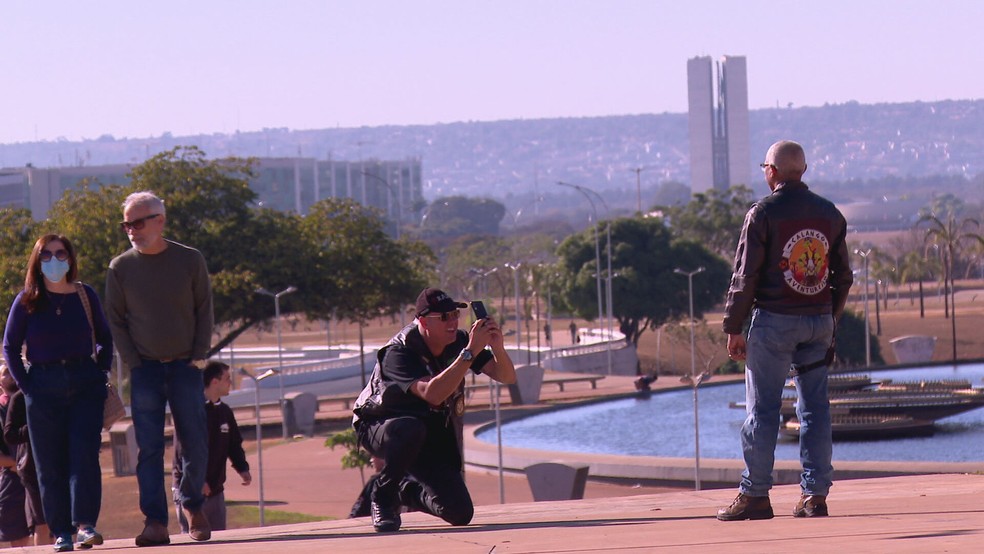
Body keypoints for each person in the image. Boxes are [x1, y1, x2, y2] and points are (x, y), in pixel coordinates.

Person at [718, 140, 853, 521]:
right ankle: (814, 496)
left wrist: (733, 326)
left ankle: (756, 495)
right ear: (803, 172)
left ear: (772, 172)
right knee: (815, 410)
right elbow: (844, 276)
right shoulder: (829, 214)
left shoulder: (762, 213)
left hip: (774, 323)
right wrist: (830, 319)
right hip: (817, 322)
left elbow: (745, 276)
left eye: (765, 166)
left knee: (762, 410)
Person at [352, 287, 516, 533]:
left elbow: (506, 376)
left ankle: (403, 491)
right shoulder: (400, 351)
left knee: (460, 512)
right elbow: (433, 394)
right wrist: (470, 353)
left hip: (425, 431)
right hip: (378, 424)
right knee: (409, 427)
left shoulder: (459, 341)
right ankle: (384, 497)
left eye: (454, 315)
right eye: (443, 317)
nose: (452, 322)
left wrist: (497, 347)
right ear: (422, 321)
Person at [105, 191, 215, 546]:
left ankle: (193, 506)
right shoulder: (120, 268)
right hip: (146, 371)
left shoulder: (190, 260)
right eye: (126, 224)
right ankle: (154, 521)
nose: (131, 230)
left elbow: (204, 310)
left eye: (138, 222)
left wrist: (199, 357)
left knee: (195, 441)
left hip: (186, 365)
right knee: (148, 448)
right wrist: (135, 364)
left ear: (160, 221)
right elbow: (117, 321)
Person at [2, 235, 113, 551]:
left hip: (84, 383)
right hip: (43, 386)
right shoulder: (27, 301)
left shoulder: (84, 295)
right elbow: (10, 347)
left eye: (60, 253)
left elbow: (104, 336)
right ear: (37, 261)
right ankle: (61, 532)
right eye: (46, 255)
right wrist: (27, 387)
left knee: (84, 457)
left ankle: (85, 526)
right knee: (49, 464)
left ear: (70, 258)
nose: (54, 260)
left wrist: (100, 370)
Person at [173, 361, 251, 533]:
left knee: (218, 541)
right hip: (190, 490)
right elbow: (181, 451)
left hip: (216, 491)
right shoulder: (192, 410)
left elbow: (234, 445)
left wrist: (242, 468)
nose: (231, 382)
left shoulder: (225, 412)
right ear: (214, 382)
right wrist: (197, 480)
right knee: (194, 541)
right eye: (227, 379)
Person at [3, 375, 51, 547]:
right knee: (41, 523)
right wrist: (34, 426)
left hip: (55, 464)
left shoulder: (52, 391)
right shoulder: (19, 399)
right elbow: (10, 435)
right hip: (29, 469)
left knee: (63, 523)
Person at [0, 365, 30, 549]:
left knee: (47, 531)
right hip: (12, 480)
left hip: (38, 475)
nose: (10, 373)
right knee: (17, 538)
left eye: (13, 369)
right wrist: (19, 465)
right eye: (4, 371)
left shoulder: (32, 401)